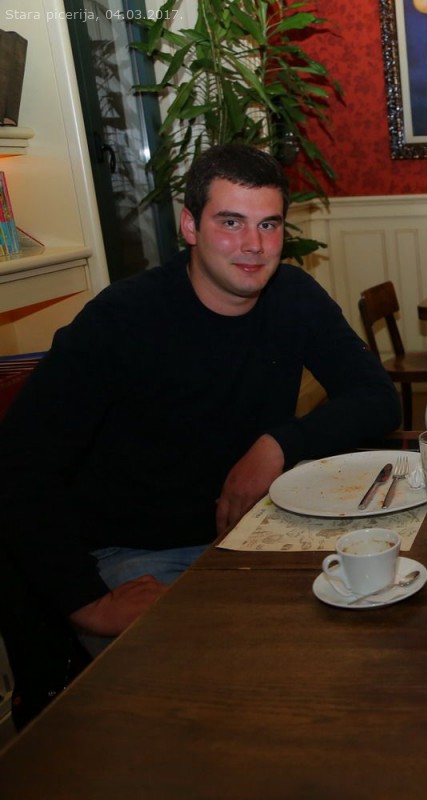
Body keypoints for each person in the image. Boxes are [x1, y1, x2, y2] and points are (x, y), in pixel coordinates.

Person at [0, 144, 401, 642]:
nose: (254, 244)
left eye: (269, 224)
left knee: (369, 626)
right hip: (138, 554)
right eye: (231, 222)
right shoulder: (122, 320)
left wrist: (277, 445)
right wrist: (86, 603)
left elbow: (378, 398)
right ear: (190, 226)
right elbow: (19, 464)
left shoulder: (293, 296)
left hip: (257, 533)